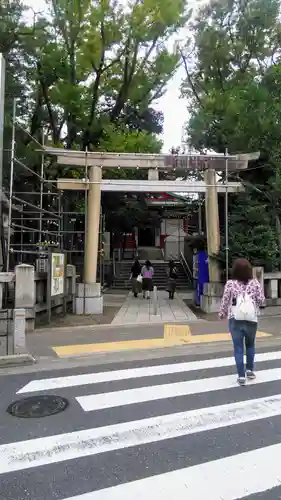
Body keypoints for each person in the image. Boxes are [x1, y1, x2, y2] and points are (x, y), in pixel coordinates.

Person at [219, 258, 265, 386]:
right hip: (251, 320)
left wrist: (222, 313)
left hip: (235, 319)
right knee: (250, 345)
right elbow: (261, 300)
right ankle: (250, 370)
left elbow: (225, 300)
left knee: (238, 348)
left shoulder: (230, 284)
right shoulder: (255, 283)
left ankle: (241, 376)